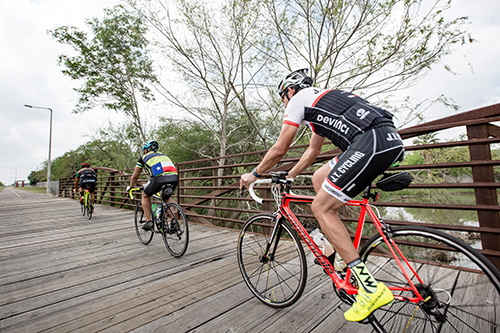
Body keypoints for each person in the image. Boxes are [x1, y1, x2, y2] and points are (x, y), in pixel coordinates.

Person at [239, 69, 405, 322]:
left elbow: (279, 148)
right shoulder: (323, 101)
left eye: (283, 98)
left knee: (322, 208)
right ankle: (334, 248)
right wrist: (291, 175)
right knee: (319, 177)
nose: (285, 103)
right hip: (388, 139)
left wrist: (254, 173)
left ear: (289, 91)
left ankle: (370, 289)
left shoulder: (298, 100)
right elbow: (313, 151)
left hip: (370, 141)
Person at [127, 140, 178, 231]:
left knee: (145, 195)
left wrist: (131, 186)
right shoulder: (163, 155)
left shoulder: (143, 157)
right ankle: (174, 221)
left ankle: (149, 221)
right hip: (174, 177)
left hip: (159, 178)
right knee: (166, 198)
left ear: (145, 150)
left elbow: (135, 176)